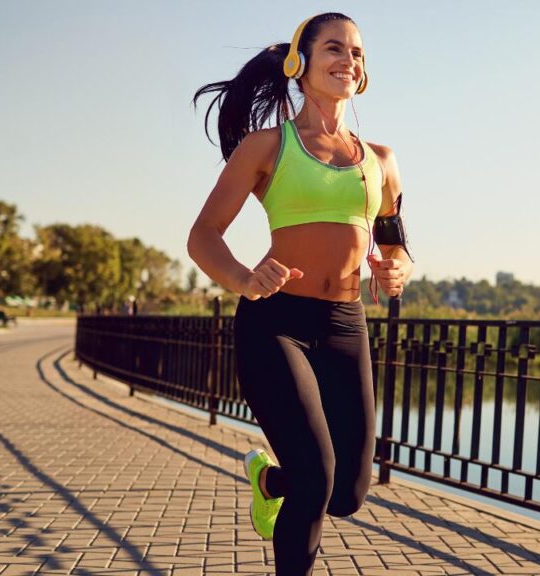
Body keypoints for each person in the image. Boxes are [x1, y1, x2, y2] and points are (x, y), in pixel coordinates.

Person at [186, 13, 414, 575]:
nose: (349, 61)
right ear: (299, 63)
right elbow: (202, 236)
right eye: (334, 48)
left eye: (357, 53)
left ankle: (269, 480)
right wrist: (243, 278)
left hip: (345, 324)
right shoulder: (268, 146)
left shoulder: (381, 161)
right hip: (276, 323)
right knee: (314, 478)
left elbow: (397, 242)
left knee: (348, 492)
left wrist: (396, 271)